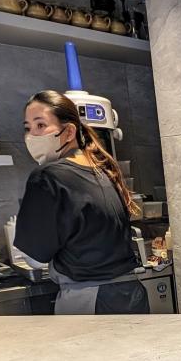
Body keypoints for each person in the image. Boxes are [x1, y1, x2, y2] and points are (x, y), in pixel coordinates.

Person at [14, 90, 149, 314]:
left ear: (68, 132)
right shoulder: (102, 170)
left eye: (40, 126)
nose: (31, 136)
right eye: (27, 128)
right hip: (131, 294)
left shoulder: (47, 176)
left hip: (91, 300)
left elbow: (36, 260)